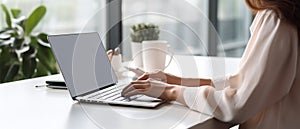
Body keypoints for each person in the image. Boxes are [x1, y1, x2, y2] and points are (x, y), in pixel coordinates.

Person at [121, 0, 300, 128]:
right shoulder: (288, 13)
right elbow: (245, 82)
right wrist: (176, 80)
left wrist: (170, 92)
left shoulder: (276, 18)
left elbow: (238, 105)